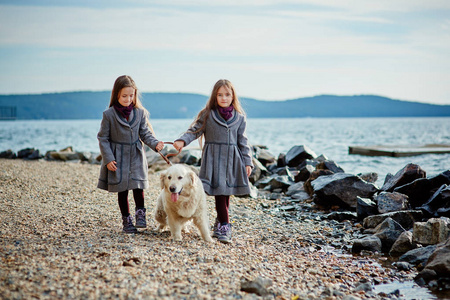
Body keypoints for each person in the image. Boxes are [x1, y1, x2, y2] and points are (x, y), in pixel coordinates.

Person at [173, 79, 253, 243]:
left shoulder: (239, 118)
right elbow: (193, 131)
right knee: (220, 192)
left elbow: (243, 142)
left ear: (233, 96)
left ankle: (220, 223)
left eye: (227, 95)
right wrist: (182, 141)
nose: (224, 98)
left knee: (226, 192)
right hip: (214, 160)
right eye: (220, 95)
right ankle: (225, 224)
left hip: (232, 161)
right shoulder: (208, 114)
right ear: (214, 96)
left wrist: (248, 161)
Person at [97, 75, 164, 233]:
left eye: (131, 95)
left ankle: (140, 213)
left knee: (138, 186)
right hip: (117, 157)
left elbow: (145, 134)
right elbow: (103, 138)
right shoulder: (109, 115)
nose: (128, 99)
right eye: (124, 96)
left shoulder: (140, 113)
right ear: (117, 95)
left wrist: (155, 144)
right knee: (122, 190)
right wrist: (108, 159)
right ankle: (126, 220)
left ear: (135, 95)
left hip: (135, 156)